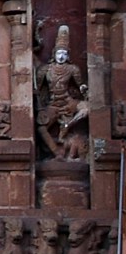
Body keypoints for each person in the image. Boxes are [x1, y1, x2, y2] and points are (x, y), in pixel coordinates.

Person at [34, 23, 88, 158]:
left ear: (68, 55)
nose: (61, 56)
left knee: (87, 108)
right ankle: (56, 150)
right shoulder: (45, 70)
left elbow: (80, 85)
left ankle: (68, 125)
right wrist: (39, 104)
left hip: (68, 101)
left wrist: (84, 89)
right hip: (53, 104)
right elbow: (38, 90)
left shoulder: (72, 69)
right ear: (54, 54)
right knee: (41, 127)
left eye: (64, 53)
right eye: (59, 53)